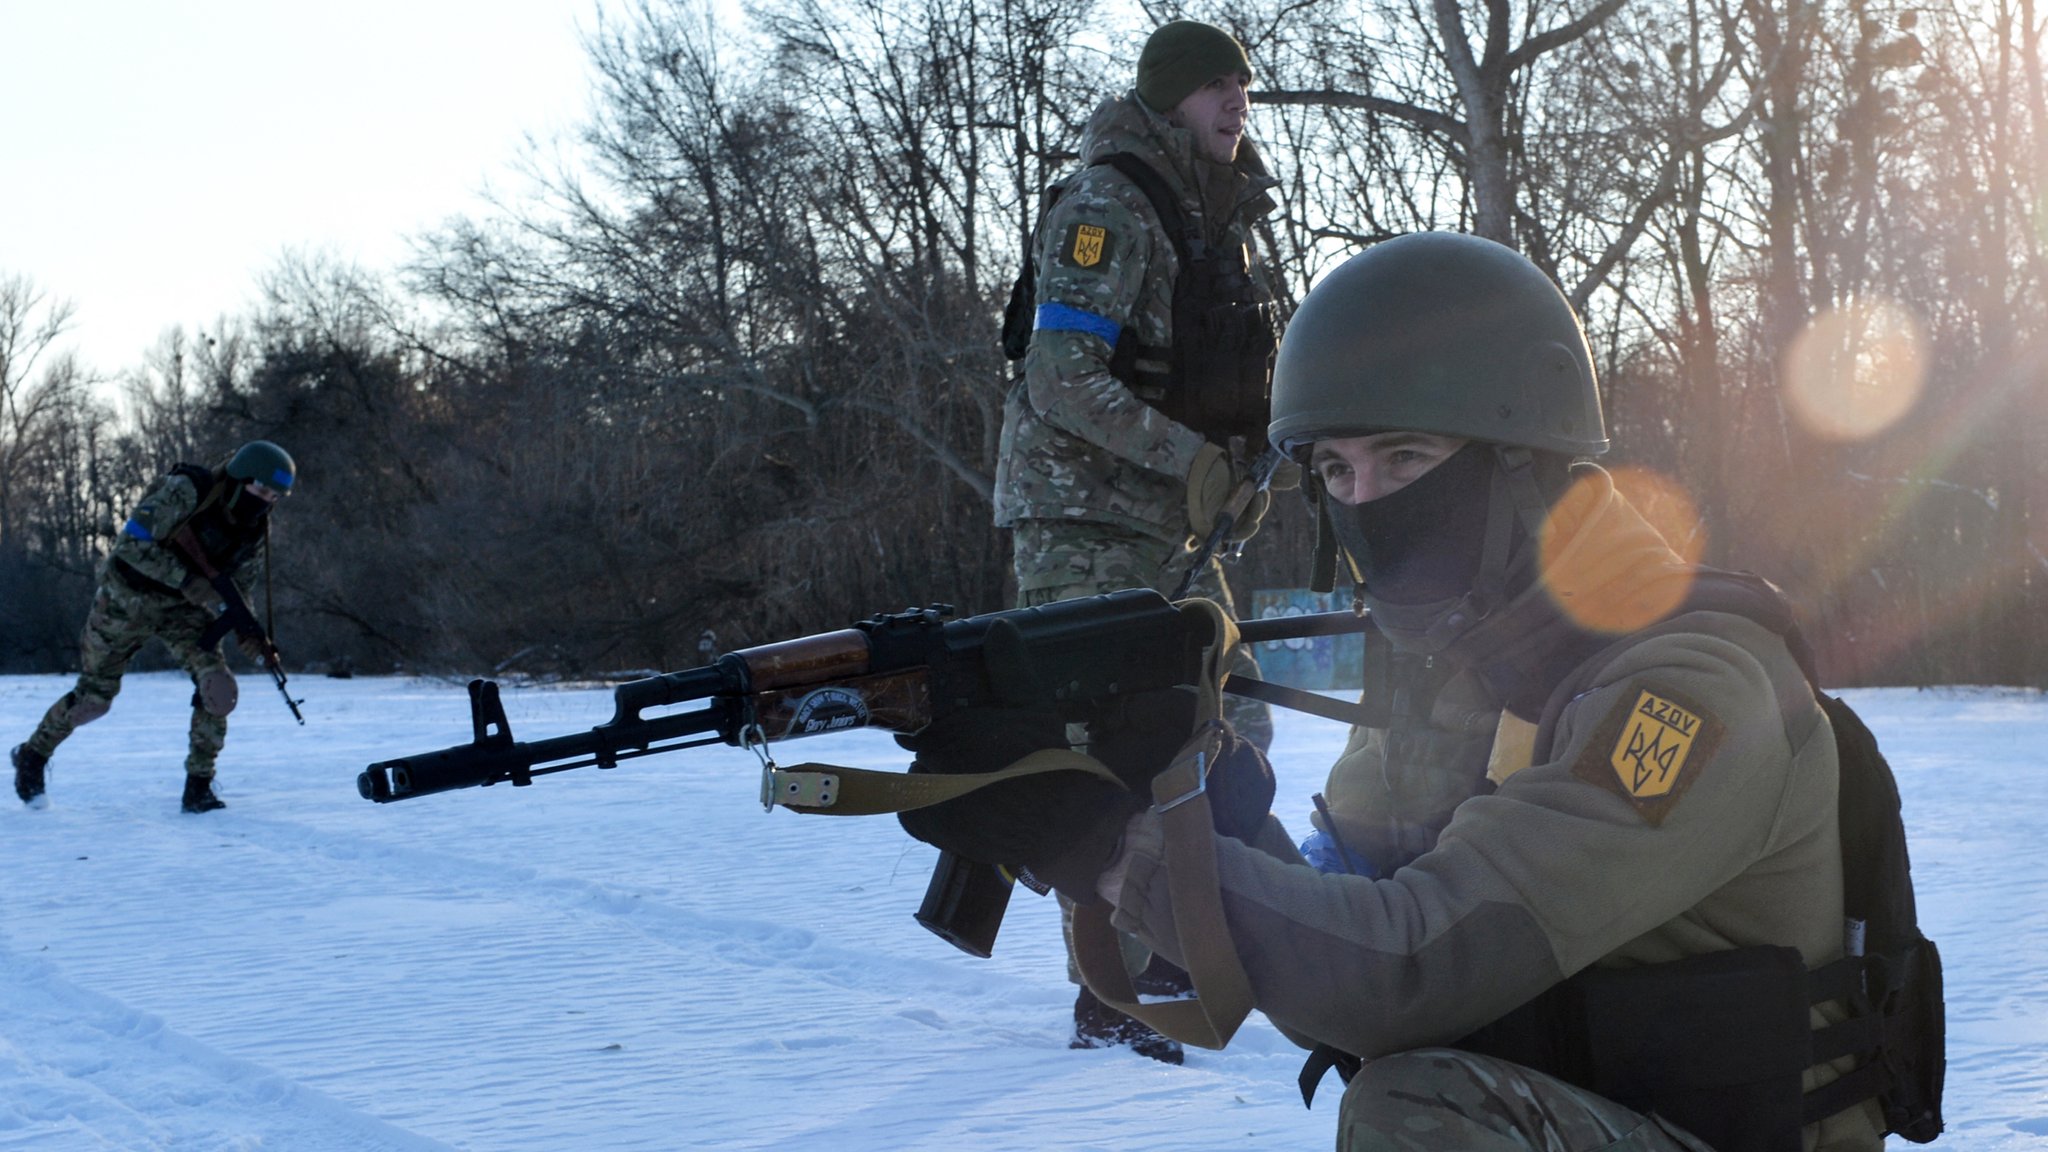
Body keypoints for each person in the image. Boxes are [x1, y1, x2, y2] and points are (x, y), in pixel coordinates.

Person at [902, 233, 1894, 1149]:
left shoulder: (1692, 684)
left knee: (1417, 1113)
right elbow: (1345, 944)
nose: (1367, 502)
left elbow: (1405, 974)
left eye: (1406, 457)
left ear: (1527, 466)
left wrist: (1109, 849)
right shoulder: (1452, 684)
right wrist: (1223, 818)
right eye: (1335, 469)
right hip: (1583, 1112)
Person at [993, 16, 1297, 1064]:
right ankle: (1115, 994)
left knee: (1231, 726)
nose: (1235, 101)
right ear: (1168, 97)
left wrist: (1245, 471)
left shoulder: (1221, 220)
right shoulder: (1109, 206)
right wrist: (1189, 463)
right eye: (1215, 86)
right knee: (1109, 759)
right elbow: (1058, 378)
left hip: (1175, 527)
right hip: (1083, 522)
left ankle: (1171, 953)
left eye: (1242, 88)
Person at [12, 440, 297, 815]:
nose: (265, 502)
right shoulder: (187, 491)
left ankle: (199, 787)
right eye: (261, 490)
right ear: (238, 478)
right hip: (125, 600)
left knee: (219, 689)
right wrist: (185, 579)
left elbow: (240, 589)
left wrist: (249, 631)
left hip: (183, 612)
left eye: (275, 497)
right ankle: (33, 755)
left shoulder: (254, 529)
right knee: (94, 701)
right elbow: (129, 545)